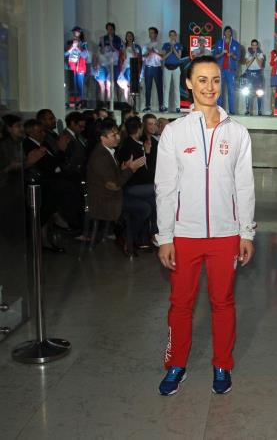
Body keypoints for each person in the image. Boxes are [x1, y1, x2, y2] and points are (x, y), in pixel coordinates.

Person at [154, 55, 256, 396]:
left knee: (223, 302)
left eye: (214, 80)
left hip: (225, 235)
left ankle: (222, 364)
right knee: (180, 303)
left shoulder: (237, 133)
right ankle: (176, 364)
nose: (209, 87)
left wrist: (246, 232)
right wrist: (165, 237)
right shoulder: (174, 132)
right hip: (184, 235)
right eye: (202, 80)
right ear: (189, 83)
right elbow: (165, 187)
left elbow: (244, 186)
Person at [86, 118, 145, 245]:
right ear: (103, 138)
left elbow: (111, 176)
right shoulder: (99, 156)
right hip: (105, 200)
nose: (118, 137)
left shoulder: (106, 151)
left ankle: (139, 238)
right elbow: (114, 185)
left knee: (150, 200)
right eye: (113, 135)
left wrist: (123, 169)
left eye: (117, 134)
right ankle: (128, 239)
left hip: (112, 195)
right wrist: (131, 169)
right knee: (145, 207)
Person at [116, 115, 157, 254]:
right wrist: (147, 154)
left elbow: (144, 170)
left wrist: (147, 153)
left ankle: (145, 237)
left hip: (137, 186)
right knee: (157, 190)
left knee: (152, 202)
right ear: (139, 129)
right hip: (131, 187)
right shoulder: (131, 147)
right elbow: (140, 173)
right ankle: (153, 234)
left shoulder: (134, 144)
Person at [214, 26, 240, 114]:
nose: (228, 33)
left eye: (229, 31)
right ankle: (218, 111)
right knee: (219, 91)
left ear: (231, 33)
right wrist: (222, 53)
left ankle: (232, 111)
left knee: (231, 91)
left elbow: (238, 57)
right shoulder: (219, 43)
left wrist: (232, 55)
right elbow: (215, 56)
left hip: (230, 70)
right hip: (220, 70)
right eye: (226, 31)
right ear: (224, 33)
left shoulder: (235, 44)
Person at [64, 26, 90, 109]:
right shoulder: (70, 42)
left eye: (77, 32)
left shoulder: (83, 43)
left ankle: (79, 103)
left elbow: (86, 55)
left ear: (80, 33)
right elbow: (65, 54)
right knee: (72, 85)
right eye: (74, 32)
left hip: (80, 66)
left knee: (79, 85)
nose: (75, 33)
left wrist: (78, 48)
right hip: (71, 66)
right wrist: (72, 47)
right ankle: (72, 102)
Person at [98, 22, 123, 100]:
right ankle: (107, 102)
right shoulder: (103, 38)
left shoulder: (118, 39)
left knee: (117, 82)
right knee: (106, 83)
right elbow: (101, 51)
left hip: (115, 64)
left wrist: (112, 45)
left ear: (114, 30)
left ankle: (118, 101)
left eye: (111, 29)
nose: (110, 31)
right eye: (108, 29)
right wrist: (103, 44)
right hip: (105, 64)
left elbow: (120, 52)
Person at [161, 30, 184, 114]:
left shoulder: (179, 45)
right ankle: (165, 106)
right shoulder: (165, 45)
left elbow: (179, 57)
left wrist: (173, 49)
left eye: (174, 35)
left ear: (176, 36)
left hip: (176, 68)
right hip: (167, 67)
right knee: (166, 88)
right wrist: (170, 51)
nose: (172, 37)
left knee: (176, 88)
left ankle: (177, 107)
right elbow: (163, 57)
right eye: (171, 35)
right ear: (169, 36)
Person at [142, 27, 164, 112]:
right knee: (148, 87)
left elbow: (163, 57)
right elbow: (143, 57)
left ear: (156, 34)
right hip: (148, 68)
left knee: (159, 87)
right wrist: (148, 53)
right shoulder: (146, 45)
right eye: (149, 33)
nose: (150, 34)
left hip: (157, 68)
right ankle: (147, 106)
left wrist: (155, 52)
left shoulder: (160, 44)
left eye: (152, 32)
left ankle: (161, 105)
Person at [243, 39, 265, 116]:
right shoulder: (248, 53)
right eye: (253, 45)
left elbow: (260, 65)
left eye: (256, 45)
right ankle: (247, 110)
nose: (254, 47)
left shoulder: (260, 53)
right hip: (249, 74)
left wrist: (256, 56)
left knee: (259, 92)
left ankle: (259, 110)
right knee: (247, 92)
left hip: (258, 74)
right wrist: (253, 57)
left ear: (257, 46)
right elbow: (247, 65)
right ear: (251, 45)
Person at [119, 31, 142, 104]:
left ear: (133, 37)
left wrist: (133, 49)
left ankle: (132, 104)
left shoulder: (136, 47)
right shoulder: (124, 47)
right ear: (126, 38)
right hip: (126, 67)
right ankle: (127, 103)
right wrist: (124, 49)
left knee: (133, 87)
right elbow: (122, 58)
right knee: (127, 86)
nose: (129, 37)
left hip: (134, 67)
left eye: (131, 36)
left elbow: (138, 58)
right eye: (128, 36)